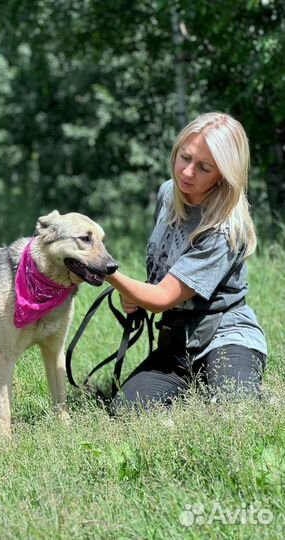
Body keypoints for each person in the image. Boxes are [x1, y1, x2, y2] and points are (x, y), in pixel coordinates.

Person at [71, 112, 267, 410]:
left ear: (223, 175)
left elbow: (162, 298)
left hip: (226, 336)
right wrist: (133, 297)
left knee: (236, 409)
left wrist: (103, 267)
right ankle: (198, 392)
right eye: (184, 157)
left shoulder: (225, 229)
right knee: (125, 411)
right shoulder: (167, 193)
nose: (187, 173)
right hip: (176, 342)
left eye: (204, 168)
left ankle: (231, 390)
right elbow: (161, 277)